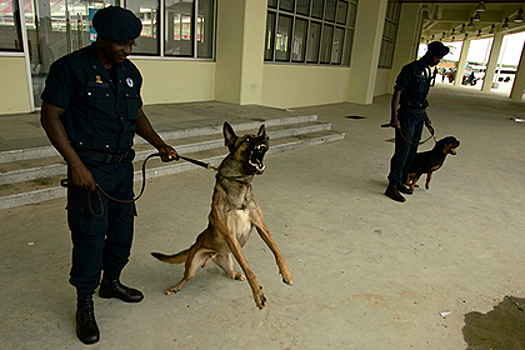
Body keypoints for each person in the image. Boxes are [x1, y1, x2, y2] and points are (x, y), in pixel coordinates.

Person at [40, 6, 179, 344]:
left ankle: (111, 283)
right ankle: (84, 303)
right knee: (90, 237)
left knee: (121, 233)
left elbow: (136, 114)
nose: (127, 51)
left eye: (131, 44)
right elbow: (50, 117)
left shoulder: (130, 72)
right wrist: (76, 165)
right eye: (122, 44)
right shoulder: (70, 69)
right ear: (100, 37)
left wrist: (159, 143)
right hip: (90, 168)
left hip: (121, 169)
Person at [384, 41, 449, 202]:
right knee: (403, 151)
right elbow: (398, 92)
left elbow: (421, 97)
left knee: (412, 153)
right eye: (438, 57)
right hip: (406, 115)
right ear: (431, 55)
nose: (438, 61)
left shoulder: (427, 71)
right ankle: (392, 185)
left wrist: (425, 117)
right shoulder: (410, 69)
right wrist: (394, 116)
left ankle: (400, 180)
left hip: (419, 115)